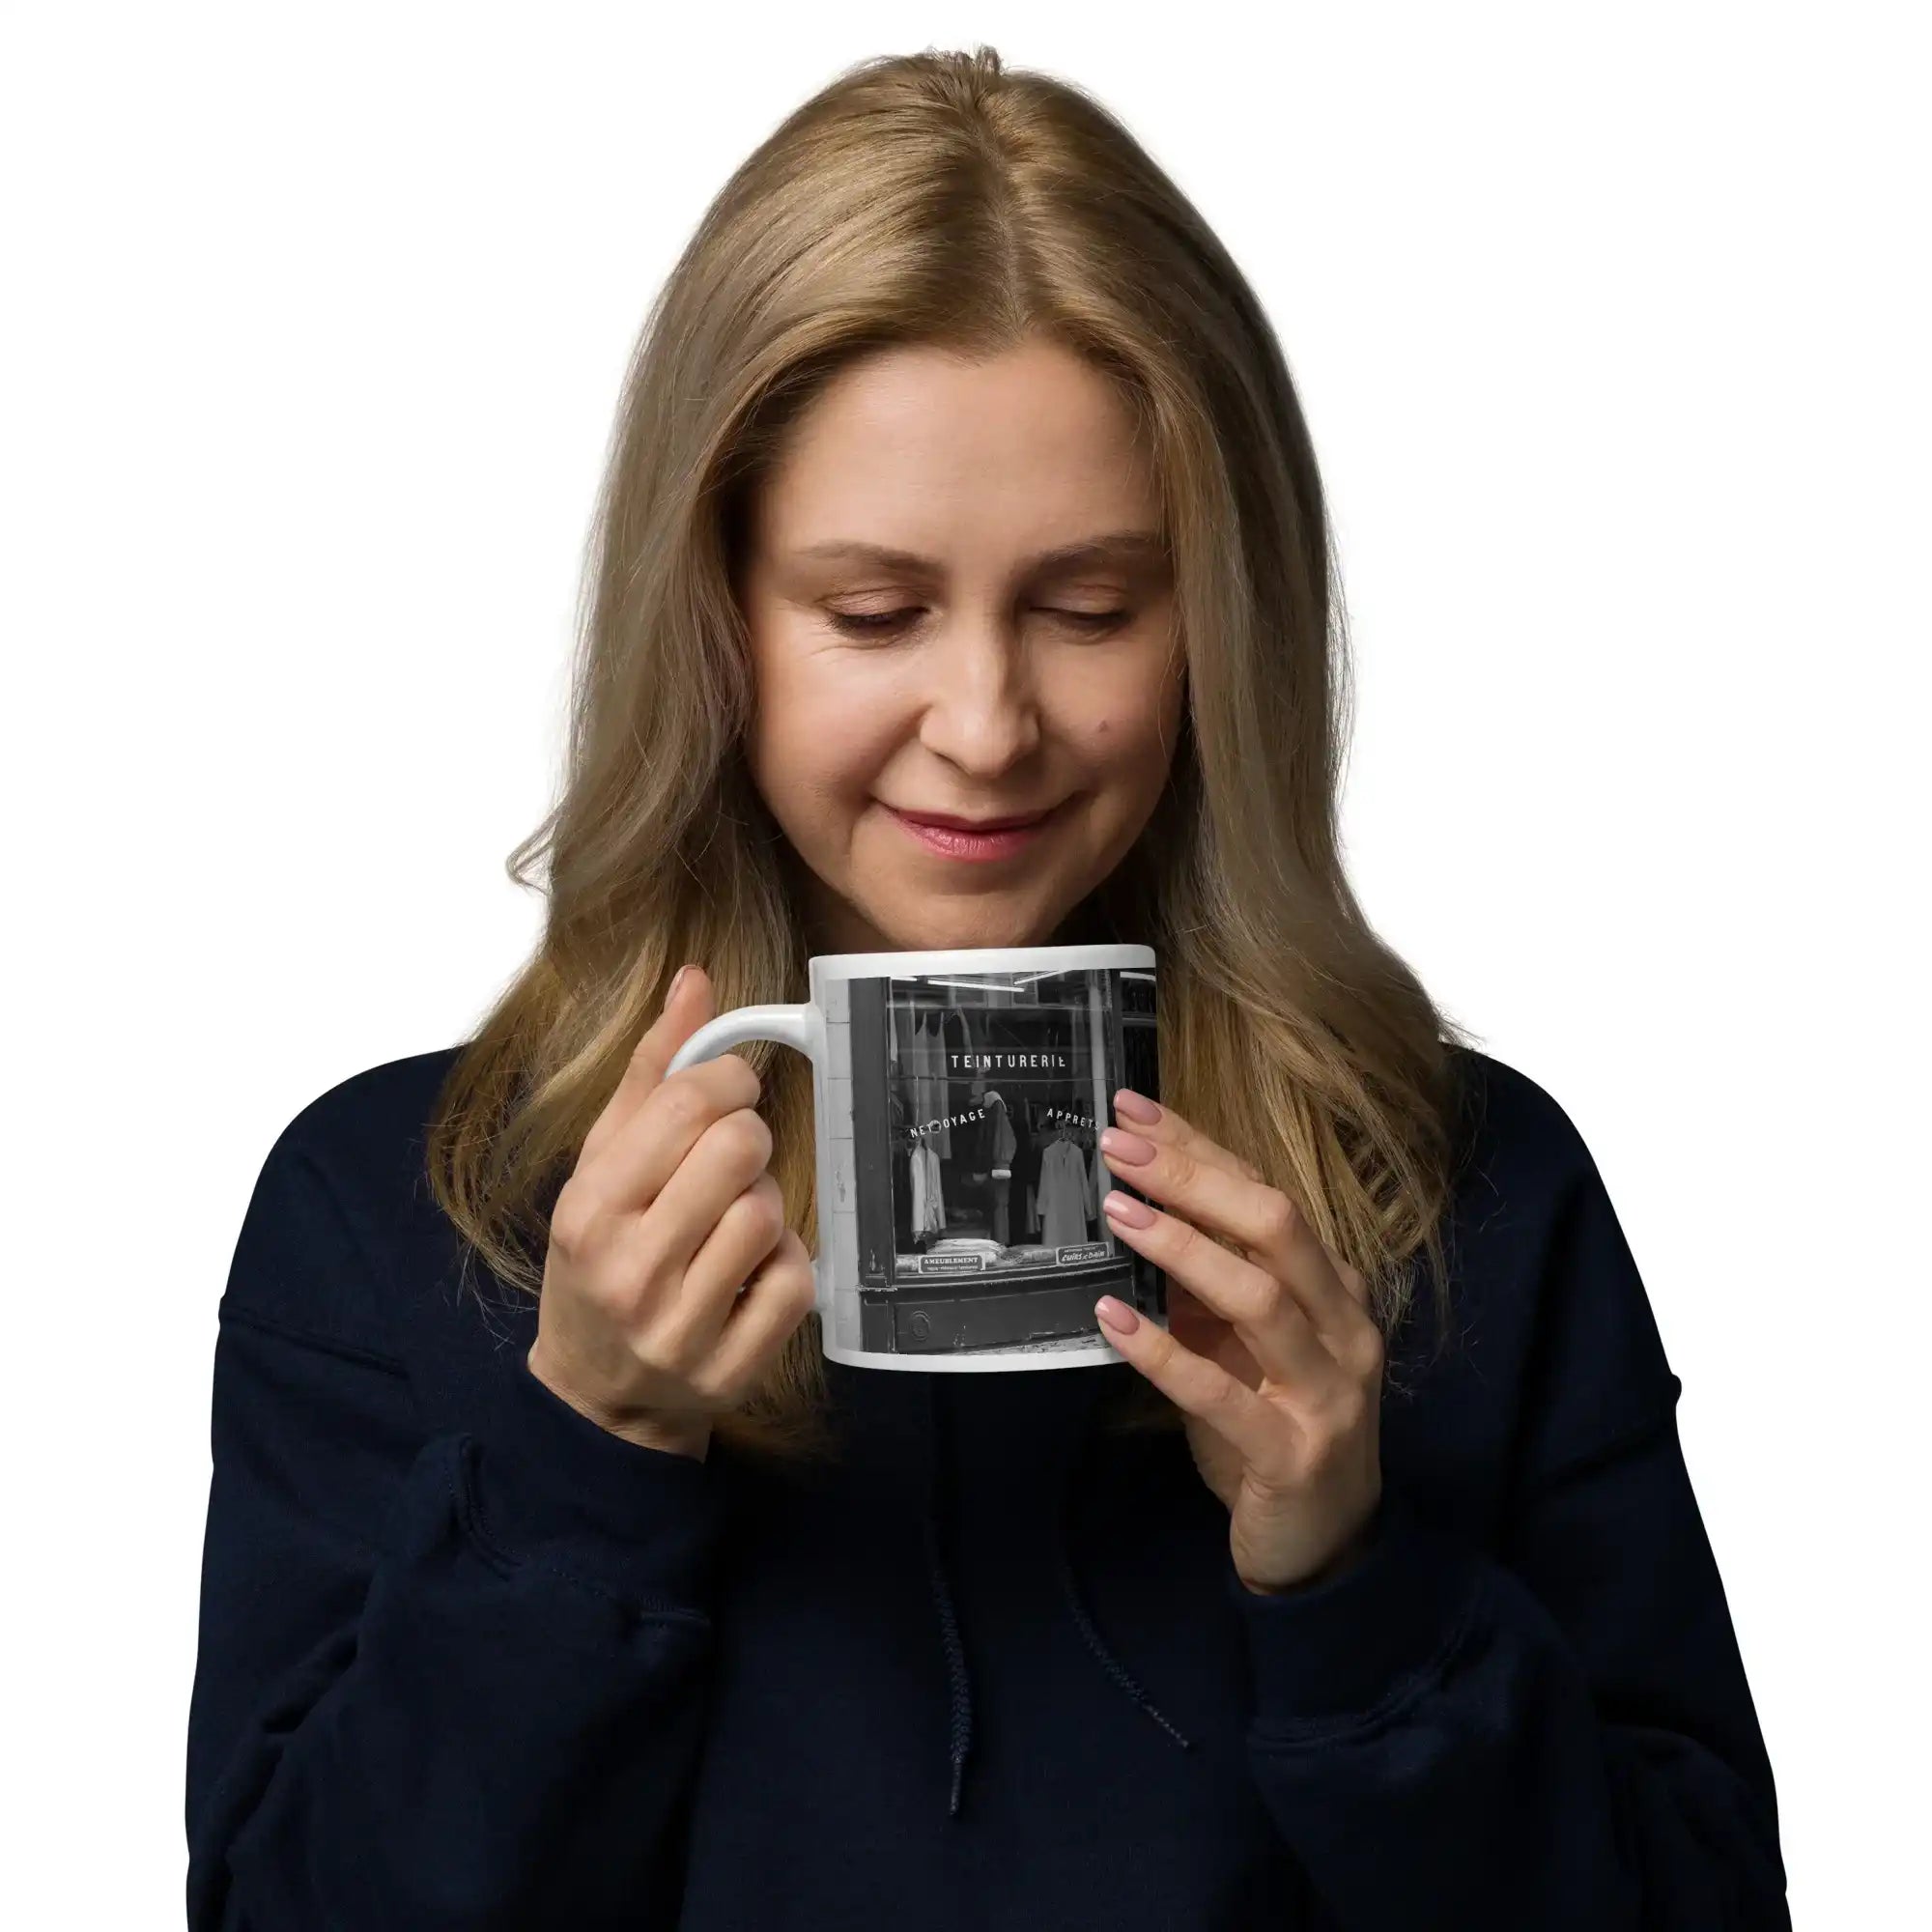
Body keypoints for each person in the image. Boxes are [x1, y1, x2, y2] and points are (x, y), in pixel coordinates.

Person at [184, 44, 1790, 1931]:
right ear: (712, 618)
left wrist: (1358, 1583)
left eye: (1091, 606)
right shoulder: (404, 1214)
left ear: (1224, 622)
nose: (986, 724)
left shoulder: (1470, 1200)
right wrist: (581, 1465)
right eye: (872, 614)